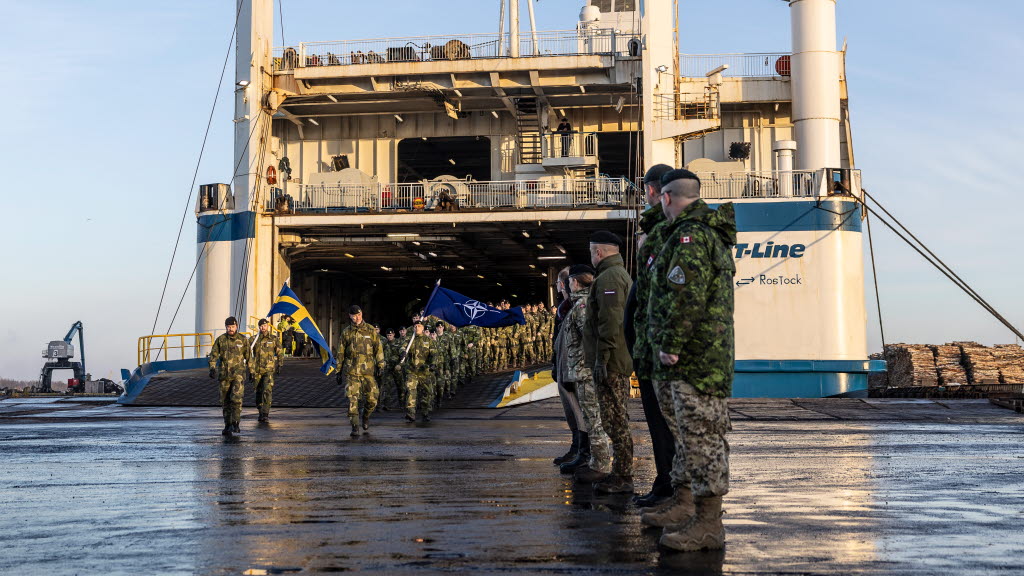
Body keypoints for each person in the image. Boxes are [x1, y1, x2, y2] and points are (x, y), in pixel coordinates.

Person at [647, 169, 736, 552]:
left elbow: (686, 297)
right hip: (696, 358)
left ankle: (709, 524)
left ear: (666, 197)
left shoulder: (692, 237)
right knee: (689, 437)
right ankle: (688, 508)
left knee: (703, 439)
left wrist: (671, 343)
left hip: (697, 361)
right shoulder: (693, 234)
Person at [628, 164, 678, 509]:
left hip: (662, 352)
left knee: (669, 426)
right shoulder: (658, 233)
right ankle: (665, 484)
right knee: (659, 426)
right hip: (649, 350)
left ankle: (674, 492)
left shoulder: (671, 234)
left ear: (653, 191)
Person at [584, 230, 634, 493]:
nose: (591, 256)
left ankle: (624, 475)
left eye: (592, 251)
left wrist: (602, 359)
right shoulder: (614, 274)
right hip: (613, 359)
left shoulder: (609, 278)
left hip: (611, 362)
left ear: (599, 252)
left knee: (615, 420)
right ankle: (620, 472)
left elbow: (610, 322)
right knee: (615, 418)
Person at [561, 265, 613, 483]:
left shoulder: (582, 305)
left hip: (585, 372)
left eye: (569, 281)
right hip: (582, 370)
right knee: (591, 419)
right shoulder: (581, 303)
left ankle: (601, 464)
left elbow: (590, 339)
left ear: (574, 282)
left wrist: (590, 366)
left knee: (593, 420)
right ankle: (595, 461)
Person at [335, 305, 385, 437]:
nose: (356, 318)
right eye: (353, 316)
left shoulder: (370, 330)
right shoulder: (346, 332)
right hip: (352, 373)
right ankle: (355, 426)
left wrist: (381, 365)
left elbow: (378, 349)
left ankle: (366, 416)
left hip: (368, 372)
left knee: (373, 399)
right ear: (349, 316)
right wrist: (338, 371)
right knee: (353, 400)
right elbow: (340, 353)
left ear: (361, 314)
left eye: (358, 315)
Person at [552, 267, 584, 466]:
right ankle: (576, 447)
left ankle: (582, 450)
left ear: (563, 284)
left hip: (574, 367)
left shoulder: (574, 306)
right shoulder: (563, 307)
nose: (556, 286)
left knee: (578, 410)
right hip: (563, 364)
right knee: (569, 411)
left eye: (557, 282)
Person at [208, 316, 250, 436]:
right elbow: (213, 355)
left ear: (236, 326)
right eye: (228, 327)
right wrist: (212, 368)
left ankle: (236, 423)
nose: (230, 329)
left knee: (236, 400)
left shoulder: (243, 340)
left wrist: (252, 372)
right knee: (225, 401)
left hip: (238, 375)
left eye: (232, 326)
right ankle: (227, 425)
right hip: (224, 376)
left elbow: (249, 357)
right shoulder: (220, 340)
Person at [250, 318, 284, 422]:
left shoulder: (273, 339)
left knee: (267, 391)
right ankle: (260, 411)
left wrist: (280, 364)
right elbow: (248, 355)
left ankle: (265, 413)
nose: (262, 328)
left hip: (269, 370)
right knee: (258, 392)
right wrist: (250, 370)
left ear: (267, 326)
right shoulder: (253, 339)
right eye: (260, 326)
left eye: (264, 326)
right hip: (256, 370)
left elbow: (279, 352)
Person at [403, 321, 436, 423]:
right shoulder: (409, 339)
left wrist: (433, 363)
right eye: (415, 326)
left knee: (427, 393)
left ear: (423, 328)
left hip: (424, 371)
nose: (417, 328)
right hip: (411, 371)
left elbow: (434, 353)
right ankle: (411, 413)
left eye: (419, 326)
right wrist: (402, 352)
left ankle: (425, 413)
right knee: (411, 391)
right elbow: (403, 347)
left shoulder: (428, 340)